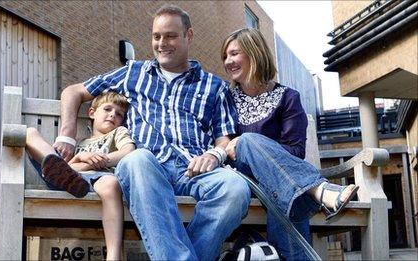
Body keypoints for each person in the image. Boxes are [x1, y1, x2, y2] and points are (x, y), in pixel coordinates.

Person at [53, 4, 251, 261]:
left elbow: (224, 140)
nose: (162, 43)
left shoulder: (214, 86)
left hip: (193, 168)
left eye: (170, 36)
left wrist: (214, 155)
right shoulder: (133, 73)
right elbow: (73, 91)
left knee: (236, 188)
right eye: (157, 36)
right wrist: (67, 134)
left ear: (188, 36)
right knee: (137, 159)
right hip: (147, 168)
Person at [221, 28, 359, 260]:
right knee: (247, 144)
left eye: (234, 53)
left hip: (277, 185)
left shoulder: (288, 97)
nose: (228, 61)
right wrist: (242, 145)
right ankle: (319, 190)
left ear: (255, 54)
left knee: (280, 191)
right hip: (239, 180)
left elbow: (296, 152)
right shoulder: (224, 98)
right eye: (225, 56)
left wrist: (260, 156)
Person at [26, 91, 135, 260]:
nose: (113, 114)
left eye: (119, 114)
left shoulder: (118, 132)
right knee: (30, 132)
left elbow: (128, 151)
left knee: (111, 184)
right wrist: (79, 156)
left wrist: (101, 161)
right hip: (71, 179)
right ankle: (51, 160)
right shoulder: (80, 143)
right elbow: (68, 170)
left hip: (100, 178)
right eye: (107, 109)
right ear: (92, 113)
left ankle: (113, 257)